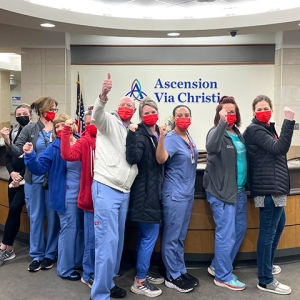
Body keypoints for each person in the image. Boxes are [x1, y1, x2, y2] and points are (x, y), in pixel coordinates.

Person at [90, 73, 138, 300]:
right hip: (107, 187)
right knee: (106, 243)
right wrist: (103, 96)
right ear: (117, 108)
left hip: (124, 191)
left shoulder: (132, 130)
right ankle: (99, 294)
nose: (127, 108)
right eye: (123, 104)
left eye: (130, 105)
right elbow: (96, 116)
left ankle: (107, 284)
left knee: (116, 243)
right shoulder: (108, 121)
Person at [243, 95, 295, 295]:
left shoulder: (266, 128)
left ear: (271, 109)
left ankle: (267, 265)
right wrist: (289, 122)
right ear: (254, 112)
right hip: (268, 189)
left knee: (278, 225)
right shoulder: (255, 130)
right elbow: (280, 148)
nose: (263, 111)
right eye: (259, 109)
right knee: (268, 233)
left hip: (274, 187)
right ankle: (265, 280)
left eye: (266, 108)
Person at [23, 113, 84, 281]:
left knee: (80, 231)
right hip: (66, 197)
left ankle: (77, 262)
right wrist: (29, 155)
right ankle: (64, 269)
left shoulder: (81, 141)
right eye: (56, 126)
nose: (59, 128)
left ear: (71, 125)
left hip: (83, 197)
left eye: (62, 124)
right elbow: (39, 167)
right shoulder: (55, 146)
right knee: (69, 231)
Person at [4, 96, 60, 272]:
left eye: (56, 109)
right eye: (52, 109)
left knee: (53, 218)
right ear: (42, 110)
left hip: (53, 181)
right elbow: (16, 150)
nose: (54, 112)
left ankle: (50, 254)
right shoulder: (30, 128)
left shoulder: (59, 127)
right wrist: (7, 141)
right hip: (33, 180)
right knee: (35, 217)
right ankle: (37, 254)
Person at [203, 96, 247, 291]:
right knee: (226, 234)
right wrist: (221, 124)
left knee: (238, 231)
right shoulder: (215, 132)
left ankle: (217, 265)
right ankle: (222, 276)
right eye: (225, 111)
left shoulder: (238, 133)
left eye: (232, 111)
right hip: (222, 193)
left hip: (239, 191)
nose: (229, 114)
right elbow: (211, 148)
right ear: (219, 114)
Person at [156, 105, 199, 293]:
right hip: (174, 194)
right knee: (172, 236)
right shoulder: (172, 138)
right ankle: (171, 275)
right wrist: (162, 137)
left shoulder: (187, 136)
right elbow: (161, 158)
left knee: (181, 236)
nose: (184, 118)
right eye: (179, 115)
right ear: (174, 118)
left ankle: (180, 269)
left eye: (187, 115)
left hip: (187, 194)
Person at [126, 98, 164, 298]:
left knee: (144, 235)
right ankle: (140, 280)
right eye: (146, 113)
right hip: (144, 193)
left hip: (152, 192)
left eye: (153, 111)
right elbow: (133, 158)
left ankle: (144, 268)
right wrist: (131, 135)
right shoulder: (140, 133)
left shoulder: (156, 133)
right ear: (140, 116)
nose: (150, 115)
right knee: (149, 235)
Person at [60, 109, 96, 288]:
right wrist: (66, 132)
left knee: (102, 237)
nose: (91, 125)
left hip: (108, 195)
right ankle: (89, 273)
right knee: (90, 237)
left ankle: (102, 269)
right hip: (89, 197)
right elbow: (68, 155)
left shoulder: (108, 139)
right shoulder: (84, 140)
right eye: (87, 122)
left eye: (94, 121)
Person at [0, 104, 32, 267]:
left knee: (14, 209)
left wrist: (20, 176)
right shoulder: (13, 132)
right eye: (18, 114)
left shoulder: (34, 132)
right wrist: (12, 173)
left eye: (24, 113)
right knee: (13, 211)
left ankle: (6, 246)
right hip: (14, 178)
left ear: (31, 115)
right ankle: (7, 247)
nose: (21, 116)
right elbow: (9, 155)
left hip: (26, 179)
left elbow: (33, 157)